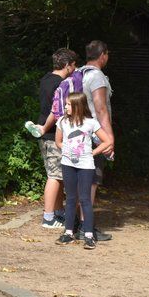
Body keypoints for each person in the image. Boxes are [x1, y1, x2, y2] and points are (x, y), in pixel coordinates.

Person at [54, 93, 113, 250]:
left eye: (67, 104)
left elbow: (107, 141)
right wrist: (67, 150)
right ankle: (68, 233)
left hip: (86, 166)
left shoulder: (91, 123)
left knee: (85, 199)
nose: (65, 107)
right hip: (68, 164)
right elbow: (58, 141)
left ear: (77, 106)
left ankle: (88, 235)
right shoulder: (62, 121)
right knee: (71, 198)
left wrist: (91, 153)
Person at [35, 49, 77, 228]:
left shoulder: (46, 79)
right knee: (54, 176)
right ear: (67, 65)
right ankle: (49, 217)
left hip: (45, 133)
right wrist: (46, 127)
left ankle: (59, 212)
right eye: (74, 65)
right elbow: (56, 110)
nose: (75, 69)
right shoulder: (62, 84)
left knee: (58, 175)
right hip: (52, 134)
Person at [76, 41, 114, 241]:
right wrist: (109, 138)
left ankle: (76, 223)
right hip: (93, 135)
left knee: (80, 180)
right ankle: (86, 226)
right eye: (107, 54)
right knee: (91, 182)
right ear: (102, 56)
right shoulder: (97, 76)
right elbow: (100, 109)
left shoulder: (79, 73)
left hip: (77, 133)